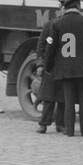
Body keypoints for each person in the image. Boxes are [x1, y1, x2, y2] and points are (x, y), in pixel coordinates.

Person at [52, 0, 83, 137]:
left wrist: (49, 66)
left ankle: (69, 130)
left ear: (66, 7)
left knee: (69, 100)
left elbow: (53, 47)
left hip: (65, 69)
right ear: (78, 6)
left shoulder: (58, 23)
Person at [34, 7, 63, 135]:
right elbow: (41, 46)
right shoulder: (49, 26)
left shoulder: (67, 26)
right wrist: (40, 64)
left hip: (63, 66)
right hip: (50, 66)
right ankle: (43, 123)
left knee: (63, 97)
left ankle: (61, 124)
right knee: (48, 97)